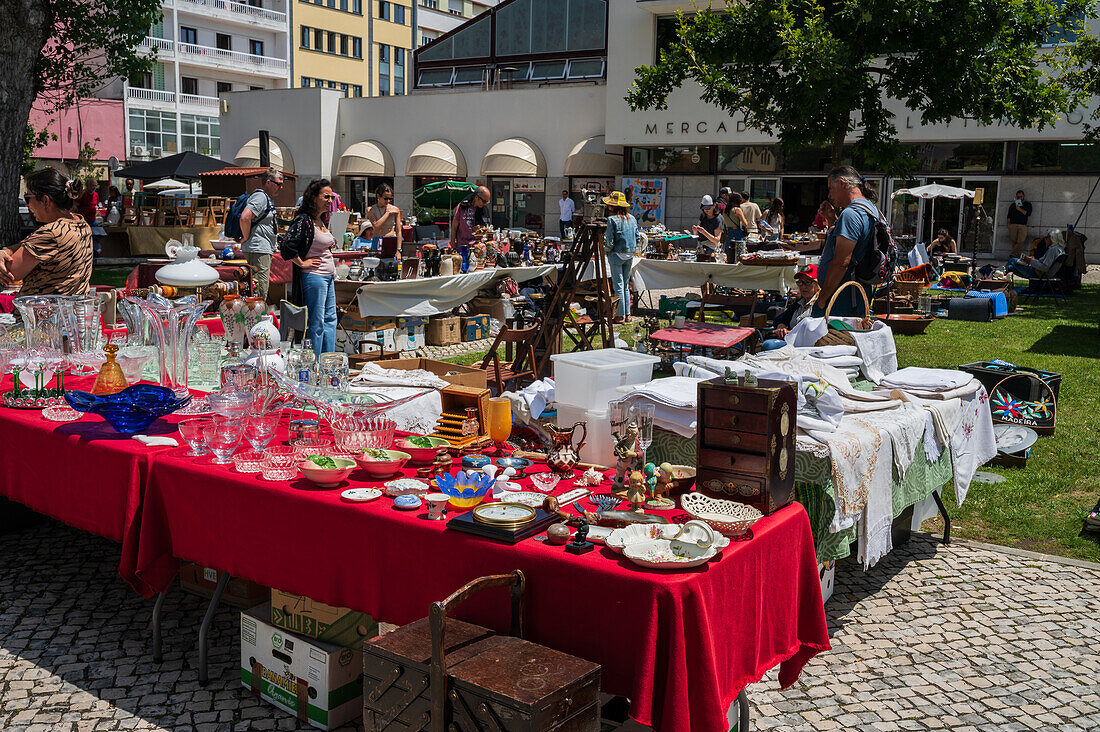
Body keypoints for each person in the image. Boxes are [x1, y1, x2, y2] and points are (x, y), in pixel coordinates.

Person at [0, 168, 93, 296]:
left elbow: (11, 272)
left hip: (45, 313)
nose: (27, 205)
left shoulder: (51, 233)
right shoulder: (81, 224)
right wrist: (4, 252)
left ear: (45, 200)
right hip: (70, 310)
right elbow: (25, 244)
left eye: (28, 198)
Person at [814, 166, 881, 317]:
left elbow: (842, 262)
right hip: (855, 295)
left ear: (843, 183)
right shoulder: (869, 208)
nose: (829, 195)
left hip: (842, 298)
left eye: (831, 188)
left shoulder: (851, 214)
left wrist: (822, 298)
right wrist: (831, 219)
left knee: (828, 339)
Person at [282, 179, 337, 356]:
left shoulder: (320, 220)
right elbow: (287, 245)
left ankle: (328, 360)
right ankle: (315, 362)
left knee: (330, 319)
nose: (330, 200)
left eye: (331, 197)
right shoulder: (304, 220)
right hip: (315, 277)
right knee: (317, 321)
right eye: (325, 196)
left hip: (327, 277)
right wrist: (302, 263)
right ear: (313, 197)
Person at [237, 168, 284, 302]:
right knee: (259, 288)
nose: (280, 188)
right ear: (268, 182)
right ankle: (257, 317)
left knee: (256, 286)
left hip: (260, 248)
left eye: (282, 185)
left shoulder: (266, 198)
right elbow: (245, 217)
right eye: (278, 184)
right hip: (258, 249)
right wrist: (246, 237)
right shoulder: (261, 197)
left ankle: (255, 316)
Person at [761, 265, 820, 349]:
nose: (803, 286)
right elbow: (780, 318)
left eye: (807, 282)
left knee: (769, 346)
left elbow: (816, 330)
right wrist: (781, 325)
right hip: (791, 343)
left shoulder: (820, 305)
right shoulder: (799, 303)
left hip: (807, 347)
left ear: (818, 284)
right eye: (800, 282)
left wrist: (792, 333)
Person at [602, 191, 638, 323]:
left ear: (612, 206)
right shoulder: (632, 218)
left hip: (616, 255)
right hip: (629, 254)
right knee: (625, 286)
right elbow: (638, 237)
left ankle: (620, 316)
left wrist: (606, 251)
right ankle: (628, 314)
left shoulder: (612, 220)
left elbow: (610, 241)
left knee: (618, 285)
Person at [367, 183, 402, 250]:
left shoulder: (395, 210)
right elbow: (376, 226)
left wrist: (399, 249)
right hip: (377, 240)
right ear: (378, 196)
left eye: (390, 199)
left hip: (390, 239)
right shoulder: (371, 209)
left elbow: (398, 231)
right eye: (386, 198)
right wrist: (387, 213)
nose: (388, 201)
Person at [693, 194, 726, 260]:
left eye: (708, 208)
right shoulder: (703, 215)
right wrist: (695, 230)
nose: (706, 210)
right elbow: (696, 234)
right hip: (701, 247)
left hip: (711, 249)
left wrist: (704, 232)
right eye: (704, 208)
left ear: (714, 206)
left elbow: (716, 240)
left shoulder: (718, 219)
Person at [1007, 189, 1032, 258]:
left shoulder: (1027, 204)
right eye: (1017, 197)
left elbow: (1028, 214)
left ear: (1023, 196)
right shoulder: (1012, 205)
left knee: (1021, 241)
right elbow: (1009, 215)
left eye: (1020, 197)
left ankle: (1012, 254)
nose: (1019, 198)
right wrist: (1008, 225)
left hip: (1022, 225)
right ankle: (1015, 256)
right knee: (1014, 241)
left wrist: (1019, 209)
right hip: (1013, 225)